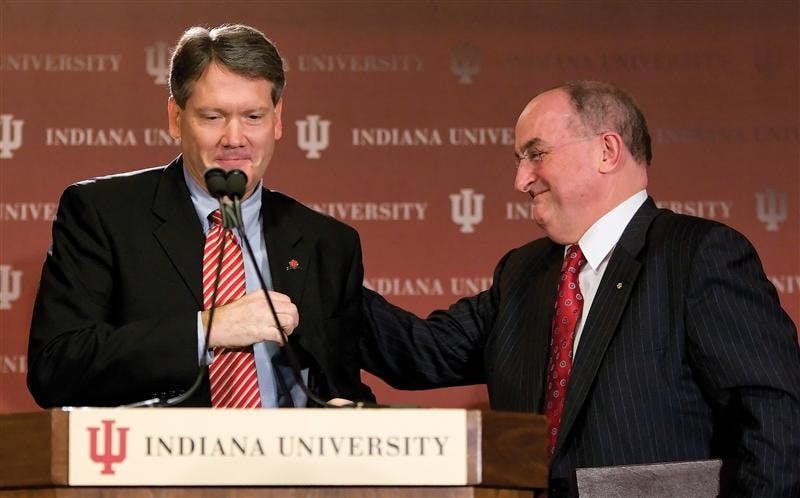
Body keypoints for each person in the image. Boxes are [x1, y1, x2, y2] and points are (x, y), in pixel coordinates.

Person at [360, 81, 800, 496]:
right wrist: (309, 270)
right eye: (519, 160)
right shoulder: (523, 272)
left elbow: (773, 418)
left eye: (536, 154)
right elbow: (421, 352)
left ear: (607, 151)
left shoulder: (697, 255)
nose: (521, 180)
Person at [28, 24, 373, 408]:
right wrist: (208, 329)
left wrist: (347, 413)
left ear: (277, 119)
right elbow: (56, 368)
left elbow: (340, 386)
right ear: (176, 117)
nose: (234, 138)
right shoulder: (102, 213)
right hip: (158, 463)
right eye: (213, 117)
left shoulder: (327, 243)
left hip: (290, 466)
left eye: (254, 116)